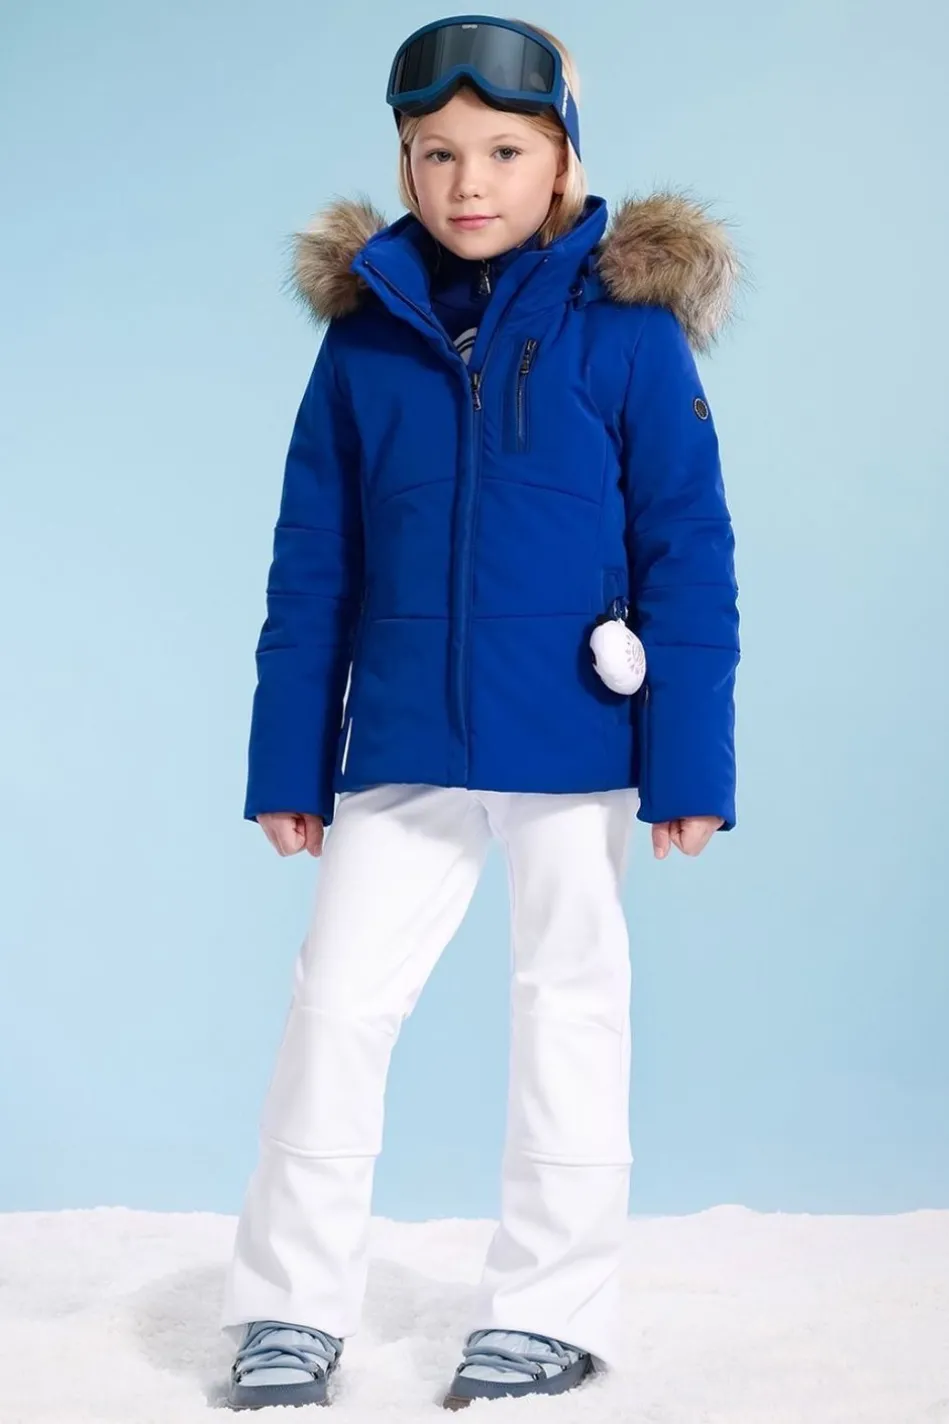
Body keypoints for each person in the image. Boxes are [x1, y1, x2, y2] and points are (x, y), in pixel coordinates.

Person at [221, 14, 741, 1412]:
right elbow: (311, 561)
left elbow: (689, 549)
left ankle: (546, 1312)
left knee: (570, 1006)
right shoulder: (364, 343)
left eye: (504, 151)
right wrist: (291, 758)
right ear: (403, 162)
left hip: (573, 734)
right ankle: (289, 1308)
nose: (468, 182)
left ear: (564, 158)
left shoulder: (629, 335)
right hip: (400, 737)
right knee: (336, 1005)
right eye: (436, 152)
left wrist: (689, 759)